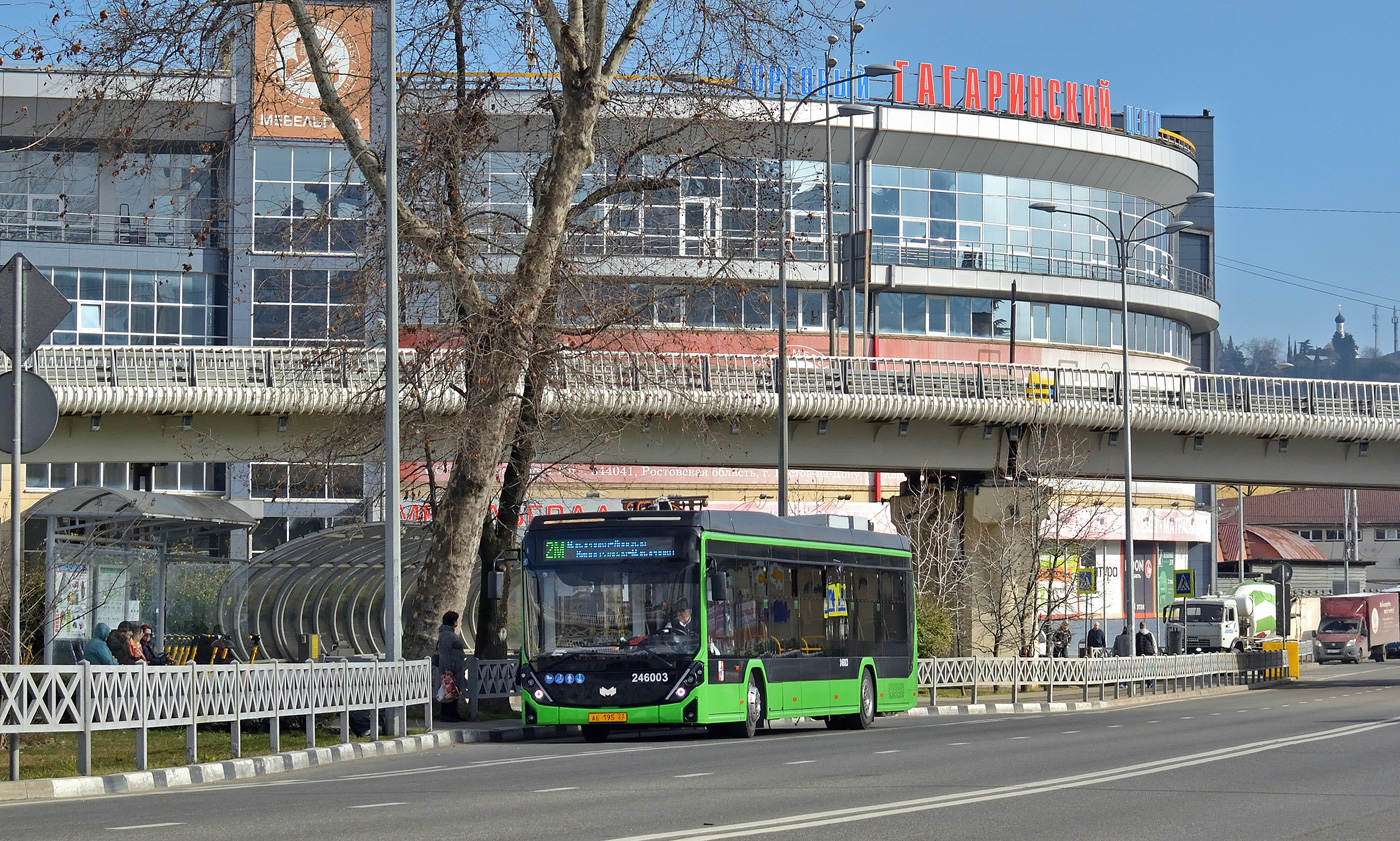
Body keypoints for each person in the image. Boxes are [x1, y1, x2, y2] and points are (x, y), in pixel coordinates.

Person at [436, 610, 466, 723]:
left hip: (455, 668)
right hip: (451, 668)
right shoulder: (447, 635)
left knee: (453, 691)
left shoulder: (449, 633)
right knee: (448, 691)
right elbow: (446, 653)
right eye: (456, 620)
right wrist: (448, 669)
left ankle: (453, 713)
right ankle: (447, 714)